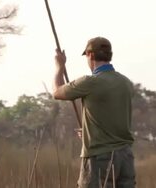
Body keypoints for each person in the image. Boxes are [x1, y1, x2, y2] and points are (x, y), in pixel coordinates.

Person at [52, 37, 136, 188]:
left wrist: (60, 67)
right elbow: (112, 116)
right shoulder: (126, 83)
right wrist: (90, 132)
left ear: (90, 55)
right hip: (125, 158)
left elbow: (57, 92)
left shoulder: (90, 82)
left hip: (99, 157)